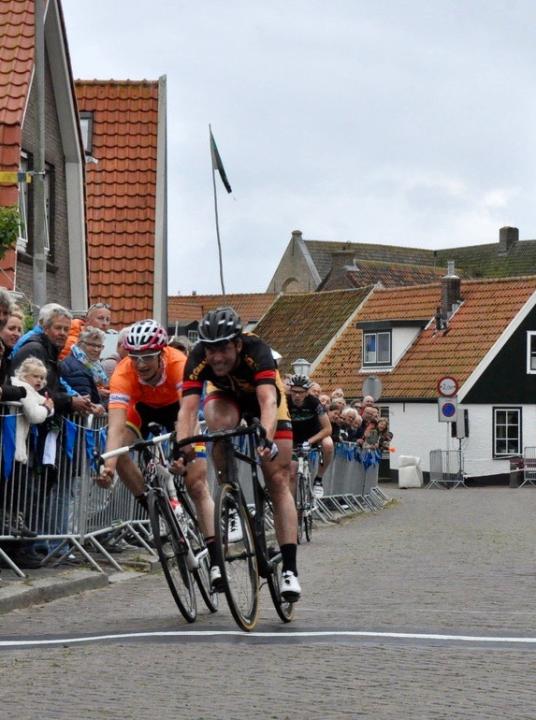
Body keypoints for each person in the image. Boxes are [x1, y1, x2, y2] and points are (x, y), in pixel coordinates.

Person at [175, 306, 301, 602]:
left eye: (223, 350)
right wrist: (183, 448)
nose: (216, 357)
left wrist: (267, 438)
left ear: (238, 343)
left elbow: (268, 401)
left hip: (263, 399)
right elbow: (188, 410)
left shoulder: (257, 349)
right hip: (227, 397)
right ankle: (229, 494)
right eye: (210, 350)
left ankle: (290, 570)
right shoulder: (197, 357)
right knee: (217, 426)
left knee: (278, 479)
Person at [97, 319, 211, 551]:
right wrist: (108, 464)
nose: (140, 364)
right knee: (119, 454)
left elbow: (188, 416)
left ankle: (215, 550)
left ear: (162, 353)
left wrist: (181, 452)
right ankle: (153, 508)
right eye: (134, 357)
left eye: (147, 356)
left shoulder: (179, 363)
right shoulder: (122, 373)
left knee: (196, 483)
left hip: (178, 411)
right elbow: (116, 428)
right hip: (143, 410)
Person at [287, 374, 333, 499]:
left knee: (328, 445)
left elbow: (328, 429)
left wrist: (310, 441)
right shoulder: (285, 401)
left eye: (301, 392)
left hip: (315, 435)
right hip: (294, 437)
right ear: (290, 390)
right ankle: (292, 506)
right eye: (294, 392)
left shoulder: (314, 402)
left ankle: (318, 478)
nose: (297, 395)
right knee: (292, 472)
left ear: (307, 392)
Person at [59, 326, 107, 415]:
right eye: (92, 345)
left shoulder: (91, 365)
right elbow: (85, 404)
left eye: (99, 346)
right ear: (80, 343)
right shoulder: (77, 368)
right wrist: (105, 406)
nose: (96, 350)